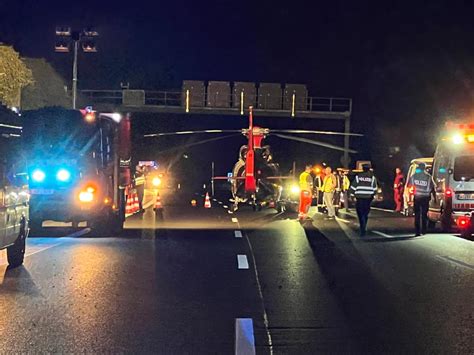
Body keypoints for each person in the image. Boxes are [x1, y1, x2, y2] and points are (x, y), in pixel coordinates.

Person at [407, 162, 436, 236]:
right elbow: (433, 187)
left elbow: (408, 185)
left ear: (419, 168)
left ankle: (417, 231)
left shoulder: (414, 176)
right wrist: (435, 198)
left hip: (417, 197)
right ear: (425, 168)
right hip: (426, 198)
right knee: (424, 214)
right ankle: (424, 230)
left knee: (417, 214)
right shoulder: (428, 177)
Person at [350, 164, 378, 236]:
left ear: (363, 169)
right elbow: (375, 188)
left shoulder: (358, 177)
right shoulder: (372, 177)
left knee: (360, 212)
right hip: (368, 198)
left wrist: (352, 195)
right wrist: (375, 195)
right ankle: (364, 225)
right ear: (369, 169)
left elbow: (353, 187)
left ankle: (362, 226)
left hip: (359, 197)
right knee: (365, 213)